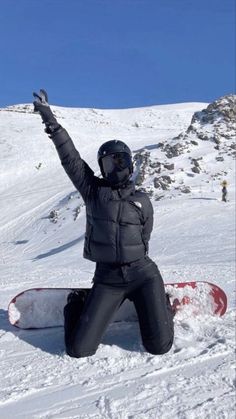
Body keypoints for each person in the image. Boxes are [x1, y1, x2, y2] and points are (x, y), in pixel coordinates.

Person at [33, 89, 174, 358]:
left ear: (130, 165)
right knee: (79, 349)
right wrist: (51, 122)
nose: (115, 167)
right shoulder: (94, 192)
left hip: (143, 274)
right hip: (108, 278)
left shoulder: (142, 200)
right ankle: (80, 302)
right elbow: (70, 158)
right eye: (108, 163)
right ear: (102, 168)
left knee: (159, 347)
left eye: (120, 161)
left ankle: (161, 304)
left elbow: (146, 235)